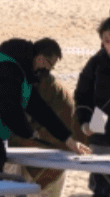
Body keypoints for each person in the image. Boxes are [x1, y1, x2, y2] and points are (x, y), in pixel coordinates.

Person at [0, 37, 85, 172]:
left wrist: (68, 139)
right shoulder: (6, 67)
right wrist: (29, 133)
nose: (48, 71)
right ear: (40, 59)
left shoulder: (22, 74)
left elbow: (41, 110)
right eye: (50, 65)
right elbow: (10, 110)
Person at [8, 38, 79, 197]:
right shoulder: (46, 84)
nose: (49, 68)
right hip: (55, 159)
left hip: (47, 161)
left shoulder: (42, 85)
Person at [74, 18, 110, 197]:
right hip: (100, 129)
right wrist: (85, 123)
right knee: (101, 187)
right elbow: (82, 95)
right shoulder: (96, 63)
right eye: (107, 41)